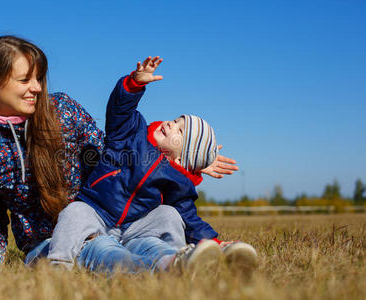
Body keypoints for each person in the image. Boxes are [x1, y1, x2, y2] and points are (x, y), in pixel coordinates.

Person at [0, 36, 239, 269]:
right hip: (51, 242)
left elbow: (113, 156)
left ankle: (181, 261)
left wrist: (184, 165)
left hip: (112, 223)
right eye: (26, 80)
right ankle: (155, 270)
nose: (38, 88)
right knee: (99, 245)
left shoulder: (62, 110)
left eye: (40, 78)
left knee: (158, 222)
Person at [48, 57, 258, 274]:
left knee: (170, 214)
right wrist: (134, 84)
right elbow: (119, 110)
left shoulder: (178, 181)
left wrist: (212, 240)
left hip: (135, 227)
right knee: (74, 212)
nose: (171, 124)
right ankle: (58, 265)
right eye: (176, 120)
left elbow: (189, 217)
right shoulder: (131, 132)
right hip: (97, 212)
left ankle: (182, 258)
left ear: (180, 159)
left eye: (180, 131)